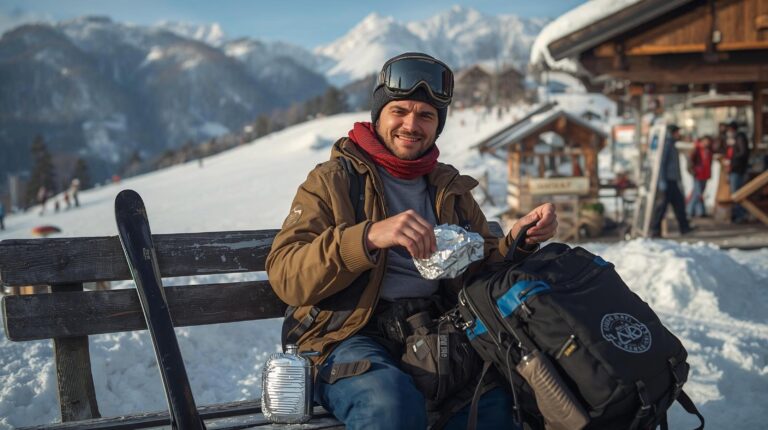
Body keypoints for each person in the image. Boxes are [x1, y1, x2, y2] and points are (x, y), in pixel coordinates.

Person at [266, 52, 558, 430]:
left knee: (500, 403)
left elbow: (481, 262)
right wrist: (368, 237)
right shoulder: (333, 180)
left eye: (425, 115)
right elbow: (286, 274)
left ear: (438, 126)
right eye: (399, 111)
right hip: (346, 336)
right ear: (378, 115)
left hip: (433, 333)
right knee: (389, 405)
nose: (411, 125)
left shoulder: (448, 188)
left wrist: (517, 240)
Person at [650, 124, 693, 237]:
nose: (679, 134)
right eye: (677, 132)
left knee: (679, 204)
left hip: (672, 180)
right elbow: (662, 163)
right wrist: (662, 180)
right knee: (662, 206)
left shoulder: (672, 144)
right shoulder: (667, 144)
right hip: (668, 180)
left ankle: (684, 227)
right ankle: (655, 229)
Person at [726, 130, 751, 223]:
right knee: (737, 194)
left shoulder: (739, 140)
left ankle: (739, 215)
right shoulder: (734, 143)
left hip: (738, 170)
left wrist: (733, 160)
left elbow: (742, 153)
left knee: (738, 194)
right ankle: (738, 215)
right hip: (737, 170)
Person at [686, 135, 713, 218]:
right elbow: (690, 160)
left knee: (700, 193)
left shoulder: (708, 150)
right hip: (698, 174)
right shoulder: (696, 148)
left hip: (705, 174)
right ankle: (689, 210)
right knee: (697, 193)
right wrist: (692, 170)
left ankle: (700, 211)